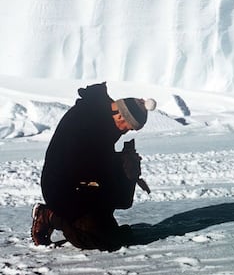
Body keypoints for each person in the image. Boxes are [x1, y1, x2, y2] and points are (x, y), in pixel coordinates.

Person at [31, 82, 156, 251]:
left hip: (83, 188)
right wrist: (122, 167)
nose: (126, 132)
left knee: (113, 235)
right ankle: (50, 215)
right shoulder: (88, 122)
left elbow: (99, 165)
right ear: (120, 116)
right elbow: (85, 166)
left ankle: (95, 220)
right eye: (128, 128)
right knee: (100, 239)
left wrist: (127, 170)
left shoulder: (101, 117)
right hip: (62, 191)